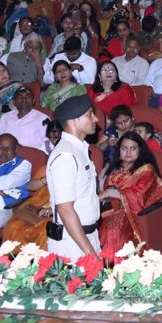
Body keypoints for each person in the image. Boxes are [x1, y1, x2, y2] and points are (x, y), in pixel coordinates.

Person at [44, 95, 103, 259]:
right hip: (71, 244)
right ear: (74, 120)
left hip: (87, 237)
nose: (96, 118)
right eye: (90, 114)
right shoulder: (65, 156)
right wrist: (91, 254)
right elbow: (65, 209)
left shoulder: (80, 149)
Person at [96, 131, 162, 254]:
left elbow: (139, 195)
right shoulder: (113, 166)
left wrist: (109, 192)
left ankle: (113, 265)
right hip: (105, 207)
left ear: (140, 150)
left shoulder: (145, 169)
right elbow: (101, 188)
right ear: (119, 150)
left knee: (112, 229)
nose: (128, 152)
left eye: (133, 148)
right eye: (124, 148)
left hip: (130, 211)